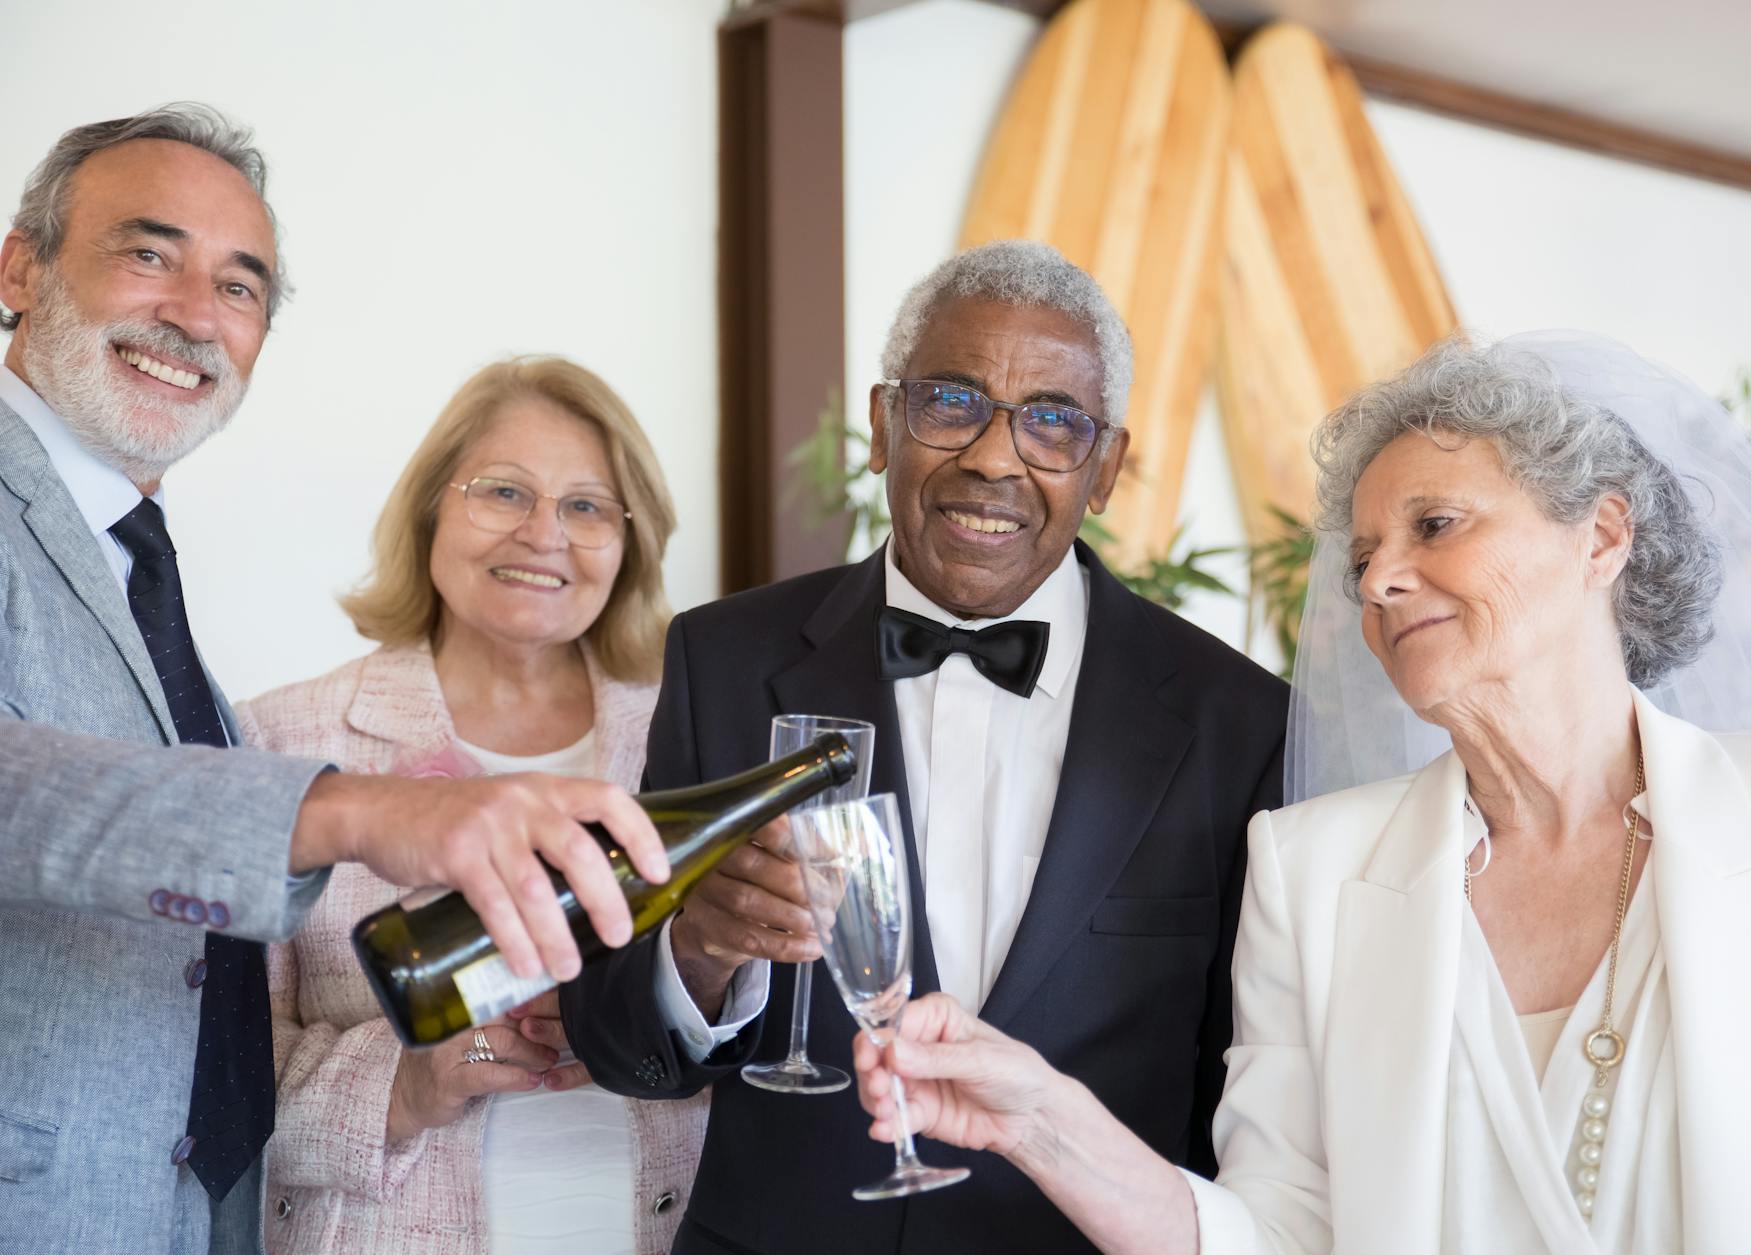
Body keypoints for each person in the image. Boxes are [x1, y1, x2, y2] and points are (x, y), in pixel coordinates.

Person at [850, 332, 1751, 1254]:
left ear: (1601, 537)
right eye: (1361, 557)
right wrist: (1038, 1117)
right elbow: (1276, 1231)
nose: (1380, 581)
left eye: (1433, 524)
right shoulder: (1309, 872)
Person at [0, 106, 667, 1255]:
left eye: (241, 286)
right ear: (19, 265)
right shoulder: (287, 729)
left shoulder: (132, 560)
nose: (195, 313)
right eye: (149, 252)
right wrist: (361, 811)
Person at [560, 239, 1290, 1254]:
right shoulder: (721, 660)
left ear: (1105, 467)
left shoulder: (1238, 719)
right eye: (951, 401)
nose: (993, 457)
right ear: (879, 425)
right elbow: (620, 1044)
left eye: (1051, 421)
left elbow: (1245, 1104)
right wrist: (699, 951)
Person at [235, 356, 705, 1253]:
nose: (544, 534)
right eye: (504, 491)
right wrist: (406, 1085)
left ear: (629, 543)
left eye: (587, 506)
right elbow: (206, 1075)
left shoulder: (691, 737)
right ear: (430, 510)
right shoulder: (279, 740)